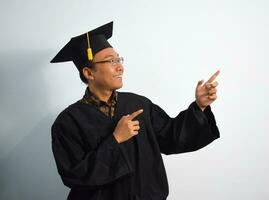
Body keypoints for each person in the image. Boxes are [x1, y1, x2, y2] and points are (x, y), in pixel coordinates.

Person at [50, 21, 220, 200]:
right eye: (110, 61)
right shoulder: (68, 122)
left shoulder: (138, 105)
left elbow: (172, 137)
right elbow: (74, 176)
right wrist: (115, 139)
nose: (120, 67)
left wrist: (199, 106)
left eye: (118, 59)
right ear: (89, 73)